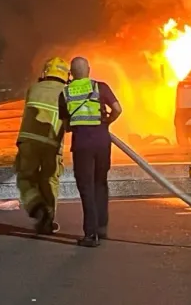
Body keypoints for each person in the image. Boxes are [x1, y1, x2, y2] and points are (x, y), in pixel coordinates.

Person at [59, 56, 122, 248]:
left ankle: (90, 234)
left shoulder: (65, 92)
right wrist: (106, 122)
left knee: (86, 188)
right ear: (89, 69)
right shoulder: (99, 87)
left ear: (71, 73)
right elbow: (118, 109)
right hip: (102, 142)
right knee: (100, 183)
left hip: (82, 146)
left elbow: (66, 124)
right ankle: (102, 228)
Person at [14, 56, 70, 235]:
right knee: (50, 181)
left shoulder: (33, 89)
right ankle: (48, 220)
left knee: (25, 178)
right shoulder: (66, 93)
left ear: (46, 72)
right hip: (52, 146)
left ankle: (37, 207)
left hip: (28, 142)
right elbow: (68, 124)